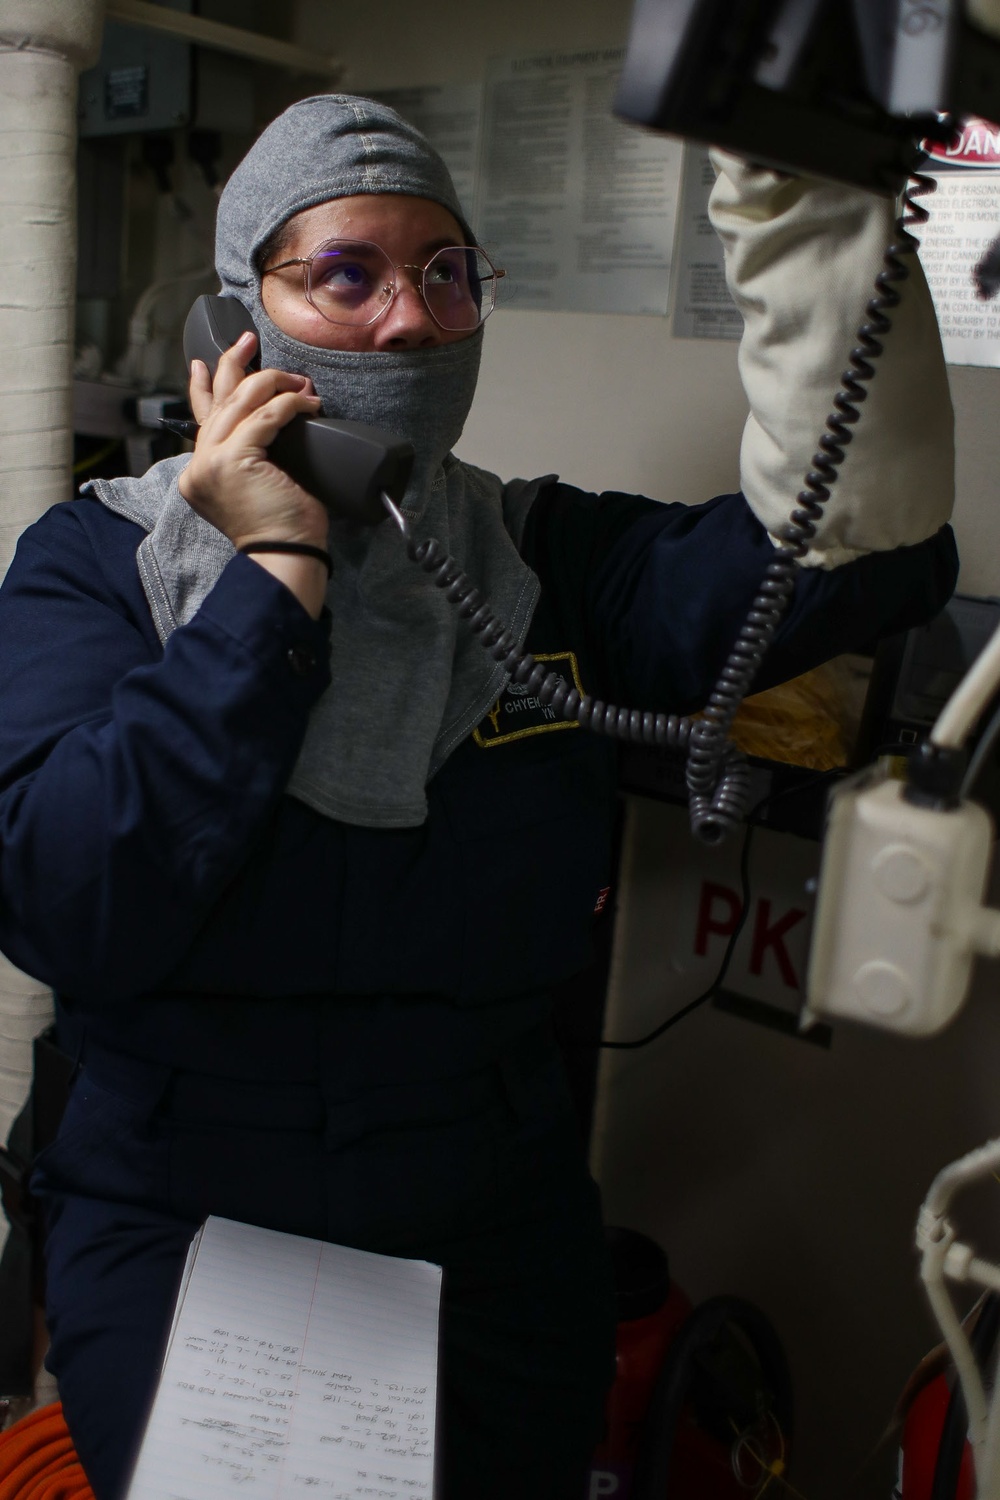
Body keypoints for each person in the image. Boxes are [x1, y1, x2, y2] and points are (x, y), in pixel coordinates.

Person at [0, 94, 958, 1500]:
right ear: (231, 324)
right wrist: (270, 582)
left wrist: (808, 203)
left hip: (481, 1200)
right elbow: (64, 896)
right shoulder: (101, 564)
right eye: (346, 273)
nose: (408, 321)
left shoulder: (539, 561)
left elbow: (862, 545)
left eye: (445, 272)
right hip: (178, 1188)